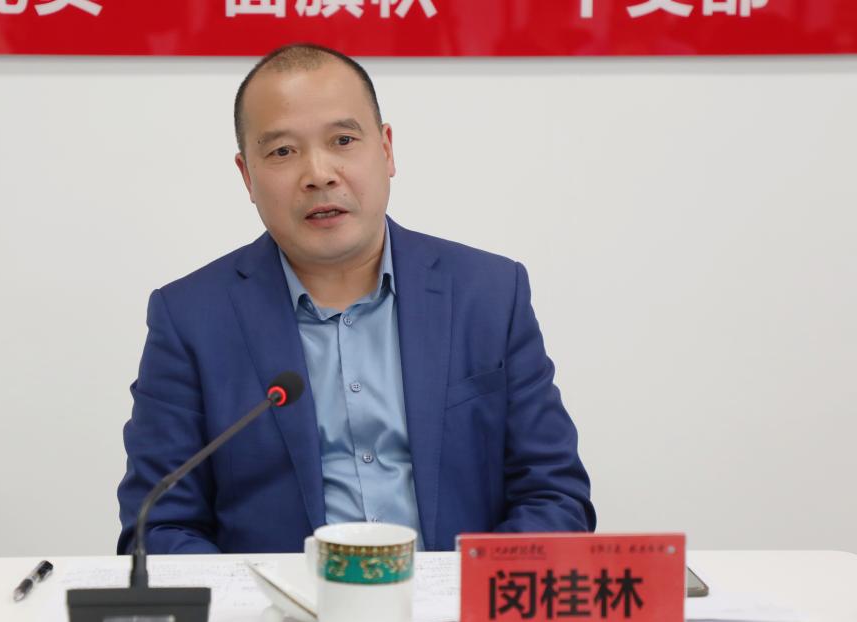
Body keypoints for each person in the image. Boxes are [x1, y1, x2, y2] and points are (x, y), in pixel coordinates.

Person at [117, 44, 595, 554]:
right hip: (276, 604)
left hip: (455, 598)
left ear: (386, 150)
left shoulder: (489, 294)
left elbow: (554, 495)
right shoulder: (190, 319)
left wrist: (465, 589)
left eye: (343, 140)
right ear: (247, 176)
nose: (318, 173)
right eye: (282, 152)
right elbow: (160, 527)